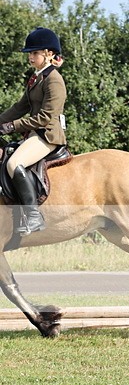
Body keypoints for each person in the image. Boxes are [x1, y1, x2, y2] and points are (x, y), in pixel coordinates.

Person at [0, 27, 67, 235]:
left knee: (14, 163)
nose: (30, 57)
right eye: (30, 53)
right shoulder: (36, 77)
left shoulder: (54, 80)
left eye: (34, 53)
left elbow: (46, 117)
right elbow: (20, 107)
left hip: (47, 135)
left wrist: (12, 126)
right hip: (34, 134)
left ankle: (33, 216)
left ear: (47, 54)